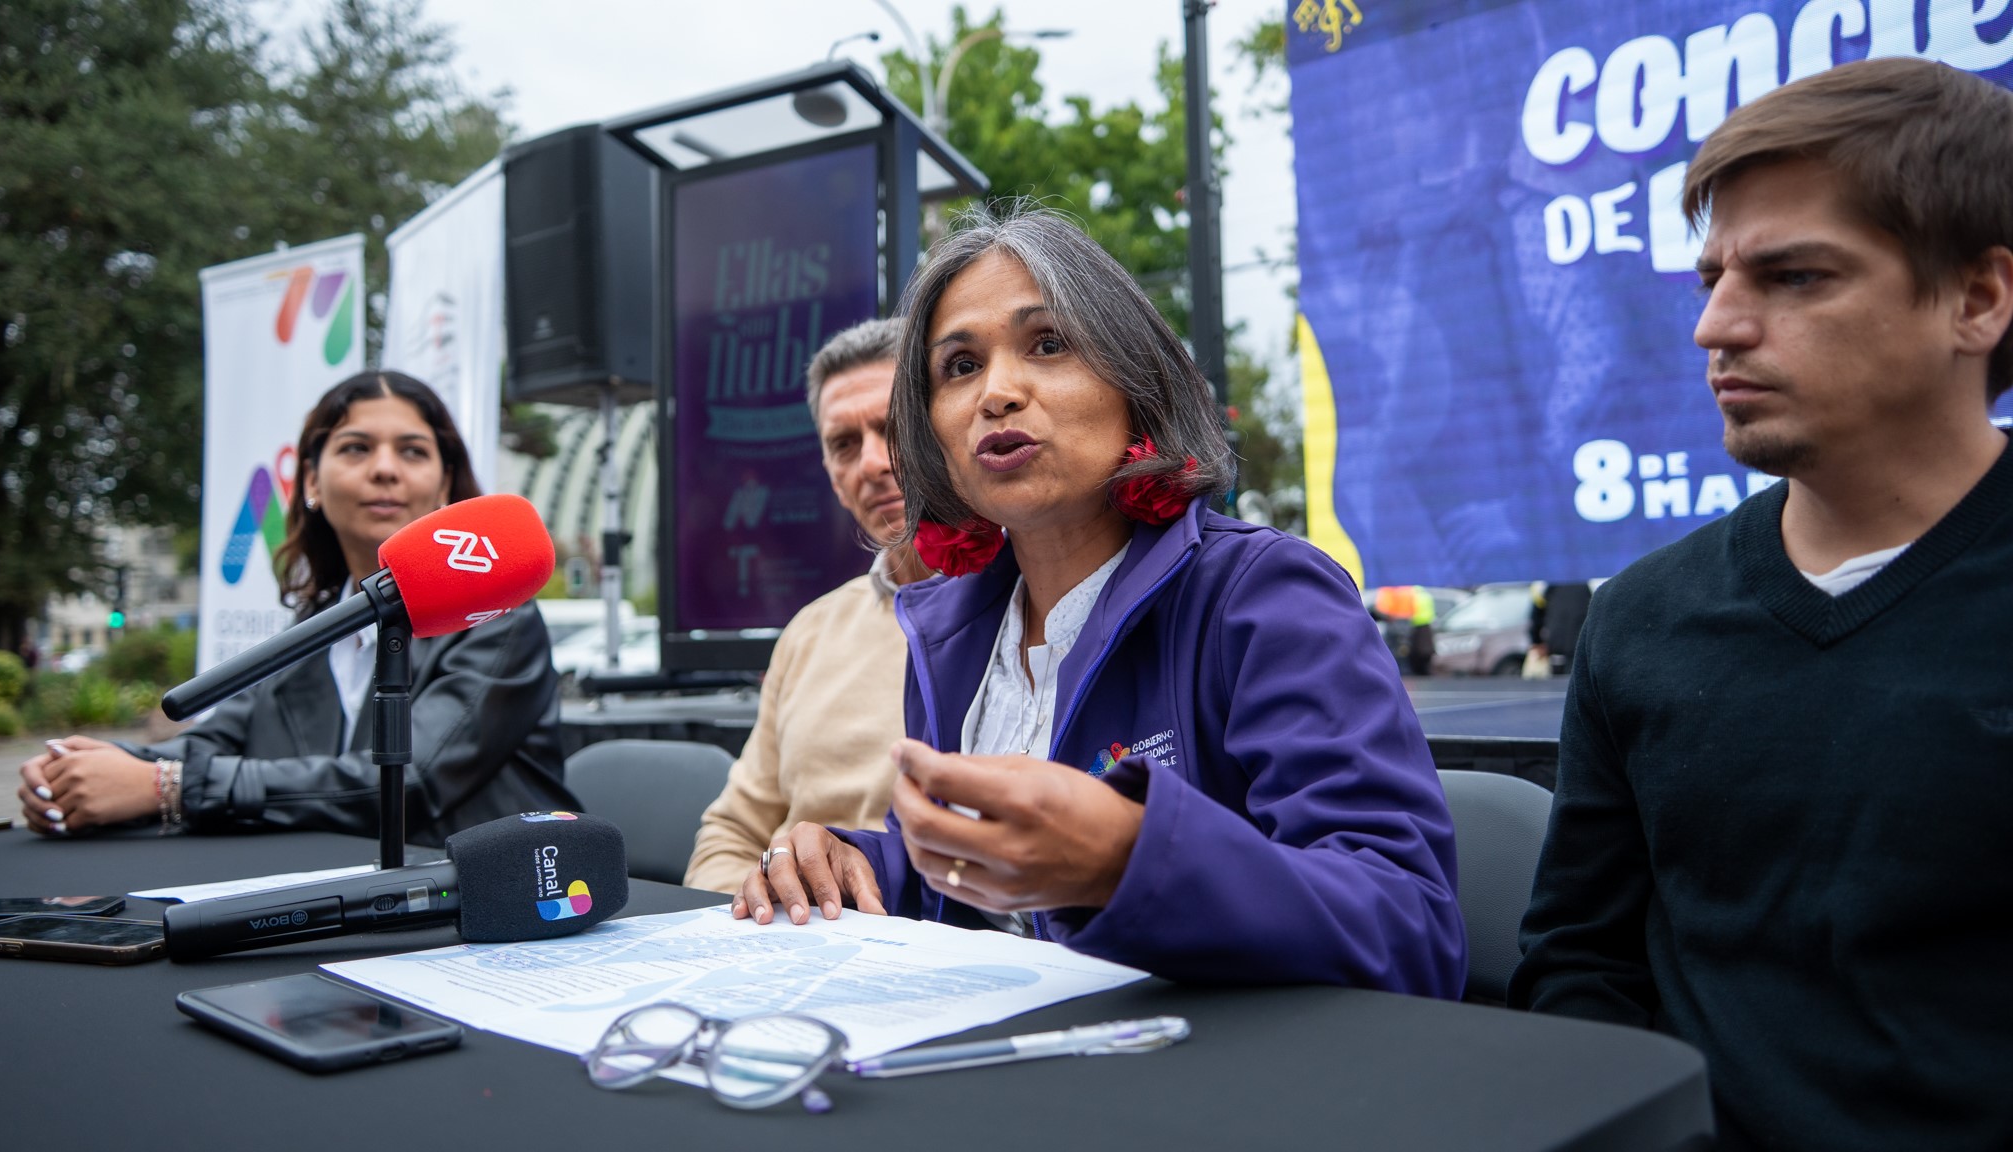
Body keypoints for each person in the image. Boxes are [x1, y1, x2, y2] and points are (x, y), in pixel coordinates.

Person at [733, 208, 1465, 993]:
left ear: (1137, 381)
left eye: (1047, 344)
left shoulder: (1265, 593)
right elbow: (981, 900)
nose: (998, 393)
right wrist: (851, 863)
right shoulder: (948, 635)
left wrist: (1129, 860)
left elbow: (1409, 927)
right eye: (959, 367)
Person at [1509, 59, 2013, 1151]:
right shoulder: (1639, 618)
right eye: (1710, 281)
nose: (1716, 328)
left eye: (1792, 278)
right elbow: (1577, 963)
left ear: (1976, 299)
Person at [17, 371, 574, 847]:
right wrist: (85, 766)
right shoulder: (317, 626)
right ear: (311, 480)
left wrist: (169, 787)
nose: (385, 469)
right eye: (356, 447)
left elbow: (408, 780)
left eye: (413, 451)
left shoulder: (500, 620)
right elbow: (219, 738)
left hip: (486, 924)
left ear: (445, 483)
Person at [683, 318, 932, 893]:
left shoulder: (1029, 611)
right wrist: (758, 921)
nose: (872, 463)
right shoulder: (810, 633)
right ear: (831, 476)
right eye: (844, 444)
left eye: (893, 428)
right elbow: (729, 834)